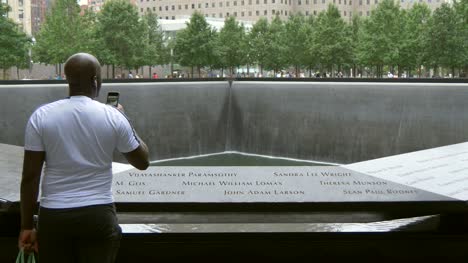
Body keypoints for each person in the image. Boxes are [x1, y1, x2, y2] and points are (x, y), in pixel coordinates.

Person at [18, 53, 150, 263]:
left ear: (67, 78)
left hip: (54, 217)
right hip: (98, 215)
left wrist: (26, 226)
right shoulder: (112, 116)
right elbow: (142, 162)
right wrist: (125, 119)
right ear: (96, 80)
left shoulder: (41, 116)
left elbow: (30, 177)